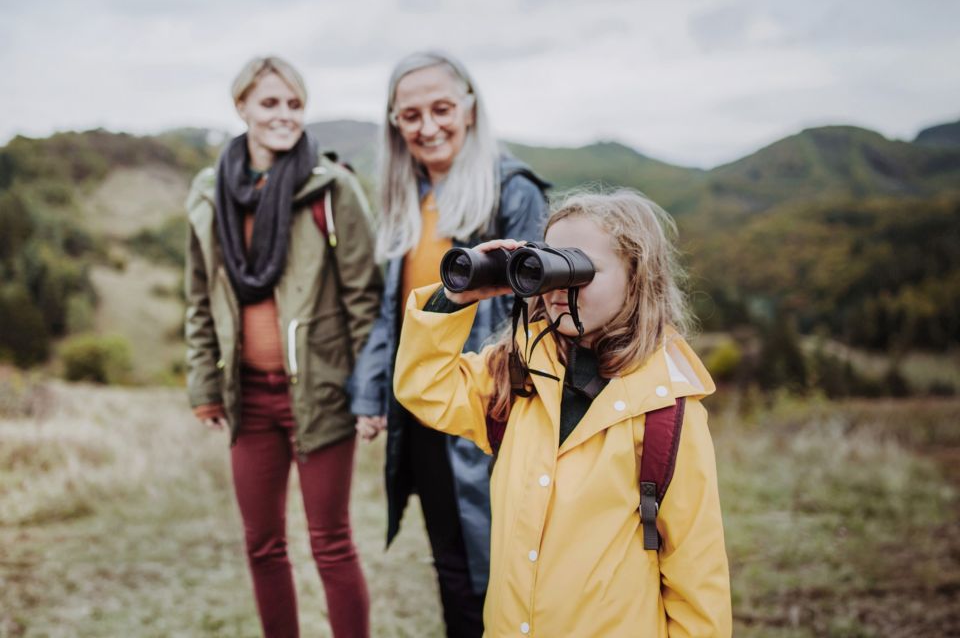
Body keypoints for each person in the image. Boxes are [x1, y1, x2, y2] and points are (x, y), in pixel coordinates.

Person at [392, 189, 732, 637]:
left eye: (579, 268)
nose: (558, 289)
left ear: (636, 276)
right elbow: (423, 386)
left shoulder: (666, 412)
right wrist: (458, 295)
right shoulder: (517, 375)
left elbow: (696, 579)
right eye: (549, 265)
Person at [350, 50, 549, 637]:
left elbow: (540, 312)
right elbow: (395, 312)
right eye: (410, 115)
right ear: (394, 122)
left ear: (469, 108)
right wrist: (369, 393)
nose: (428, 126)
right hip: (425, 408)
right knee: (452, 566)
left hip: (490, 411)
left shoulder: (513, 191)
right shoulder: (407, 195)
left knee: (500, 568)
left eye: (441, 109)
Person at [184, 55, 381, 638]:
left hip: (320, 395)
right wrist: (203, 385)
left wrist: (369, 392)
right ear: (241, 106)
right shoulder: (207, 193)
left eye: (295, 104)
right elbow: (200, 298)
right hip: (248, 397)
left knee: (331, 542)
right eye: (270, 103)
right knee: (262, 545)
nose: (284, 115)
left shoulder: (331, 187)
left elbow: (364, 300)